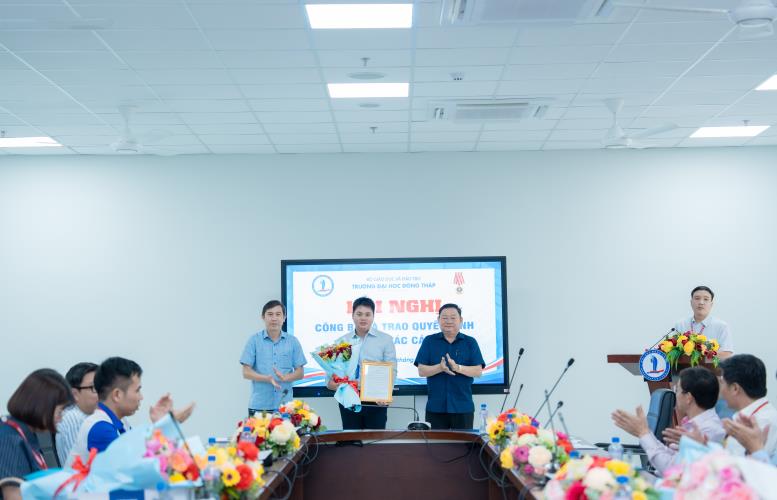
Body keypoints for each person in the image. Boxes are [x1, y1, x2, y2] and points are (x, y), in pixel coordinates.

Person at [68, 357, 194, 465]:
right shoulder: (100, 428)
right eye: (137, 390)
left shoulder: (119, 421)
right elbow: (136, 467)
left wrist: (160, 423)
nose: (141, 397)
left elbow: (139, 452)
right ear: (117, 395)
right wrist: (166, 425)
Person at [611, 367, 725, 475]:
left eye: (677, 390)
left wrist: (643, 433)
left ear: (688, 398)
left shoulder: (709, 430)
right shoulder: (695, 424)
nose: (676, 394)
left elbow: (671, 469)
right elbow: (673, 458)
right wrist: (644, 432)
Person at [1, 369, 72, 500]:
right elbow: (13, 496)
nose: (60, 418)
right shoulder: (10, 438)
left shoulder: (27, 436)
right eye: (60, 411)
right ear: (43, 407)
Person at [327, 296, 397, 429]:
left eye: (367, 314)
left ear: (373, 316)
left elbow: (392, 370)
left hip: (375, 399)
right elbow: (332, 373)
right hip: (348, 398)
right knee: (351, 438)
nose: (363, 318)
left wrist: (386, 394)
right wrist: (332, 383)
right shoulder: (342, 342)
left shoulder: (385, 340)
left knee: (375, 439)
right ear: (352, 316)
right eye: (359, 314)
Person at [415, 303, 484, 430]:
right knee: (436, 443)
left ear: (461, 320)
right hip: (436, 408)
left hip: (463, 407)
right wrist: (439, 368)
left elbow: (478, 371)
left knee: (464, 442)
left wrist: (458, 368)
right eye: (444, 317)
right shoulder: (429, 341)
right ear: (438, 320)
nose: (448, 321)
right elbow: (421, 370)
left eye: (453, 317)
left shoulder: (470, 342)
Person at [240, 300, 307, 415]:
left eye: (278, 314)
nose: (274, 318)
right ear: (263, 317)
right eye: (270, 314)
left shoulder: (293, 342)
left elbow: (300, 373)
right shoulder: (254, 341)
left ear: (284, 318)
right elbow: (246, 372)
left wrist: (285, 377)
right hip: (259, 407)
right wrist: (266, 378)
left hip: (286, 407)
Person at [56, 362, 99, 466]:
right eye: (94, 388)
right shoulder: (73, 418)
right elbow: (79, 467)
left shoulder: (96, 416)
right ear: (74, 394)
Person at [674, 286, 733, 358]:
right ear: (691, 302)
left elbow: (727, 354)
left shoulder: (721, 326)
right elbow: (673, 351)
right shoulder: (680, 324)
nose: (701, 302)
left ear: (711, 304)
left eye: (706, 299)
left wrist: (702, 357)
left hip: (711, 366)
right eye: (697, 298)